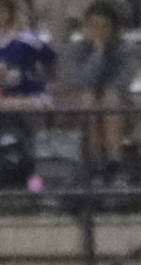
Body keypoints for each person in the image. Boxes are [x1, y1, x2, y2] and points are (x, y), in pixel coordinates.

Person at [61, 0, 132, 188]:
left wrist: (102, 52)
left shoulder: (124, 50)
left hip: (117, 107)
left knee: (111, 98)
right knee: (88, 98)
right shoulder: (75, 51)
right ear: (85, 27)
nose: (98, 31)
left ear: (114, 28)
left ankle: (114, 164)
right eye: (93, 26)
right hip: (83, 106)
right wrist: (98, 53)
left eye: (104, 26)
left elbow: (122, 83)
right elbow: (81, 81)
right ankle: (96, 163)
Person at [0, 0, 55, 192]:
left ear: (9, 12)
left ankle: (37, 182)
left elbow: (53, 62)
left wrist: (55, 87)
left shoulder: (27, 40)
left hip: (31, 98)